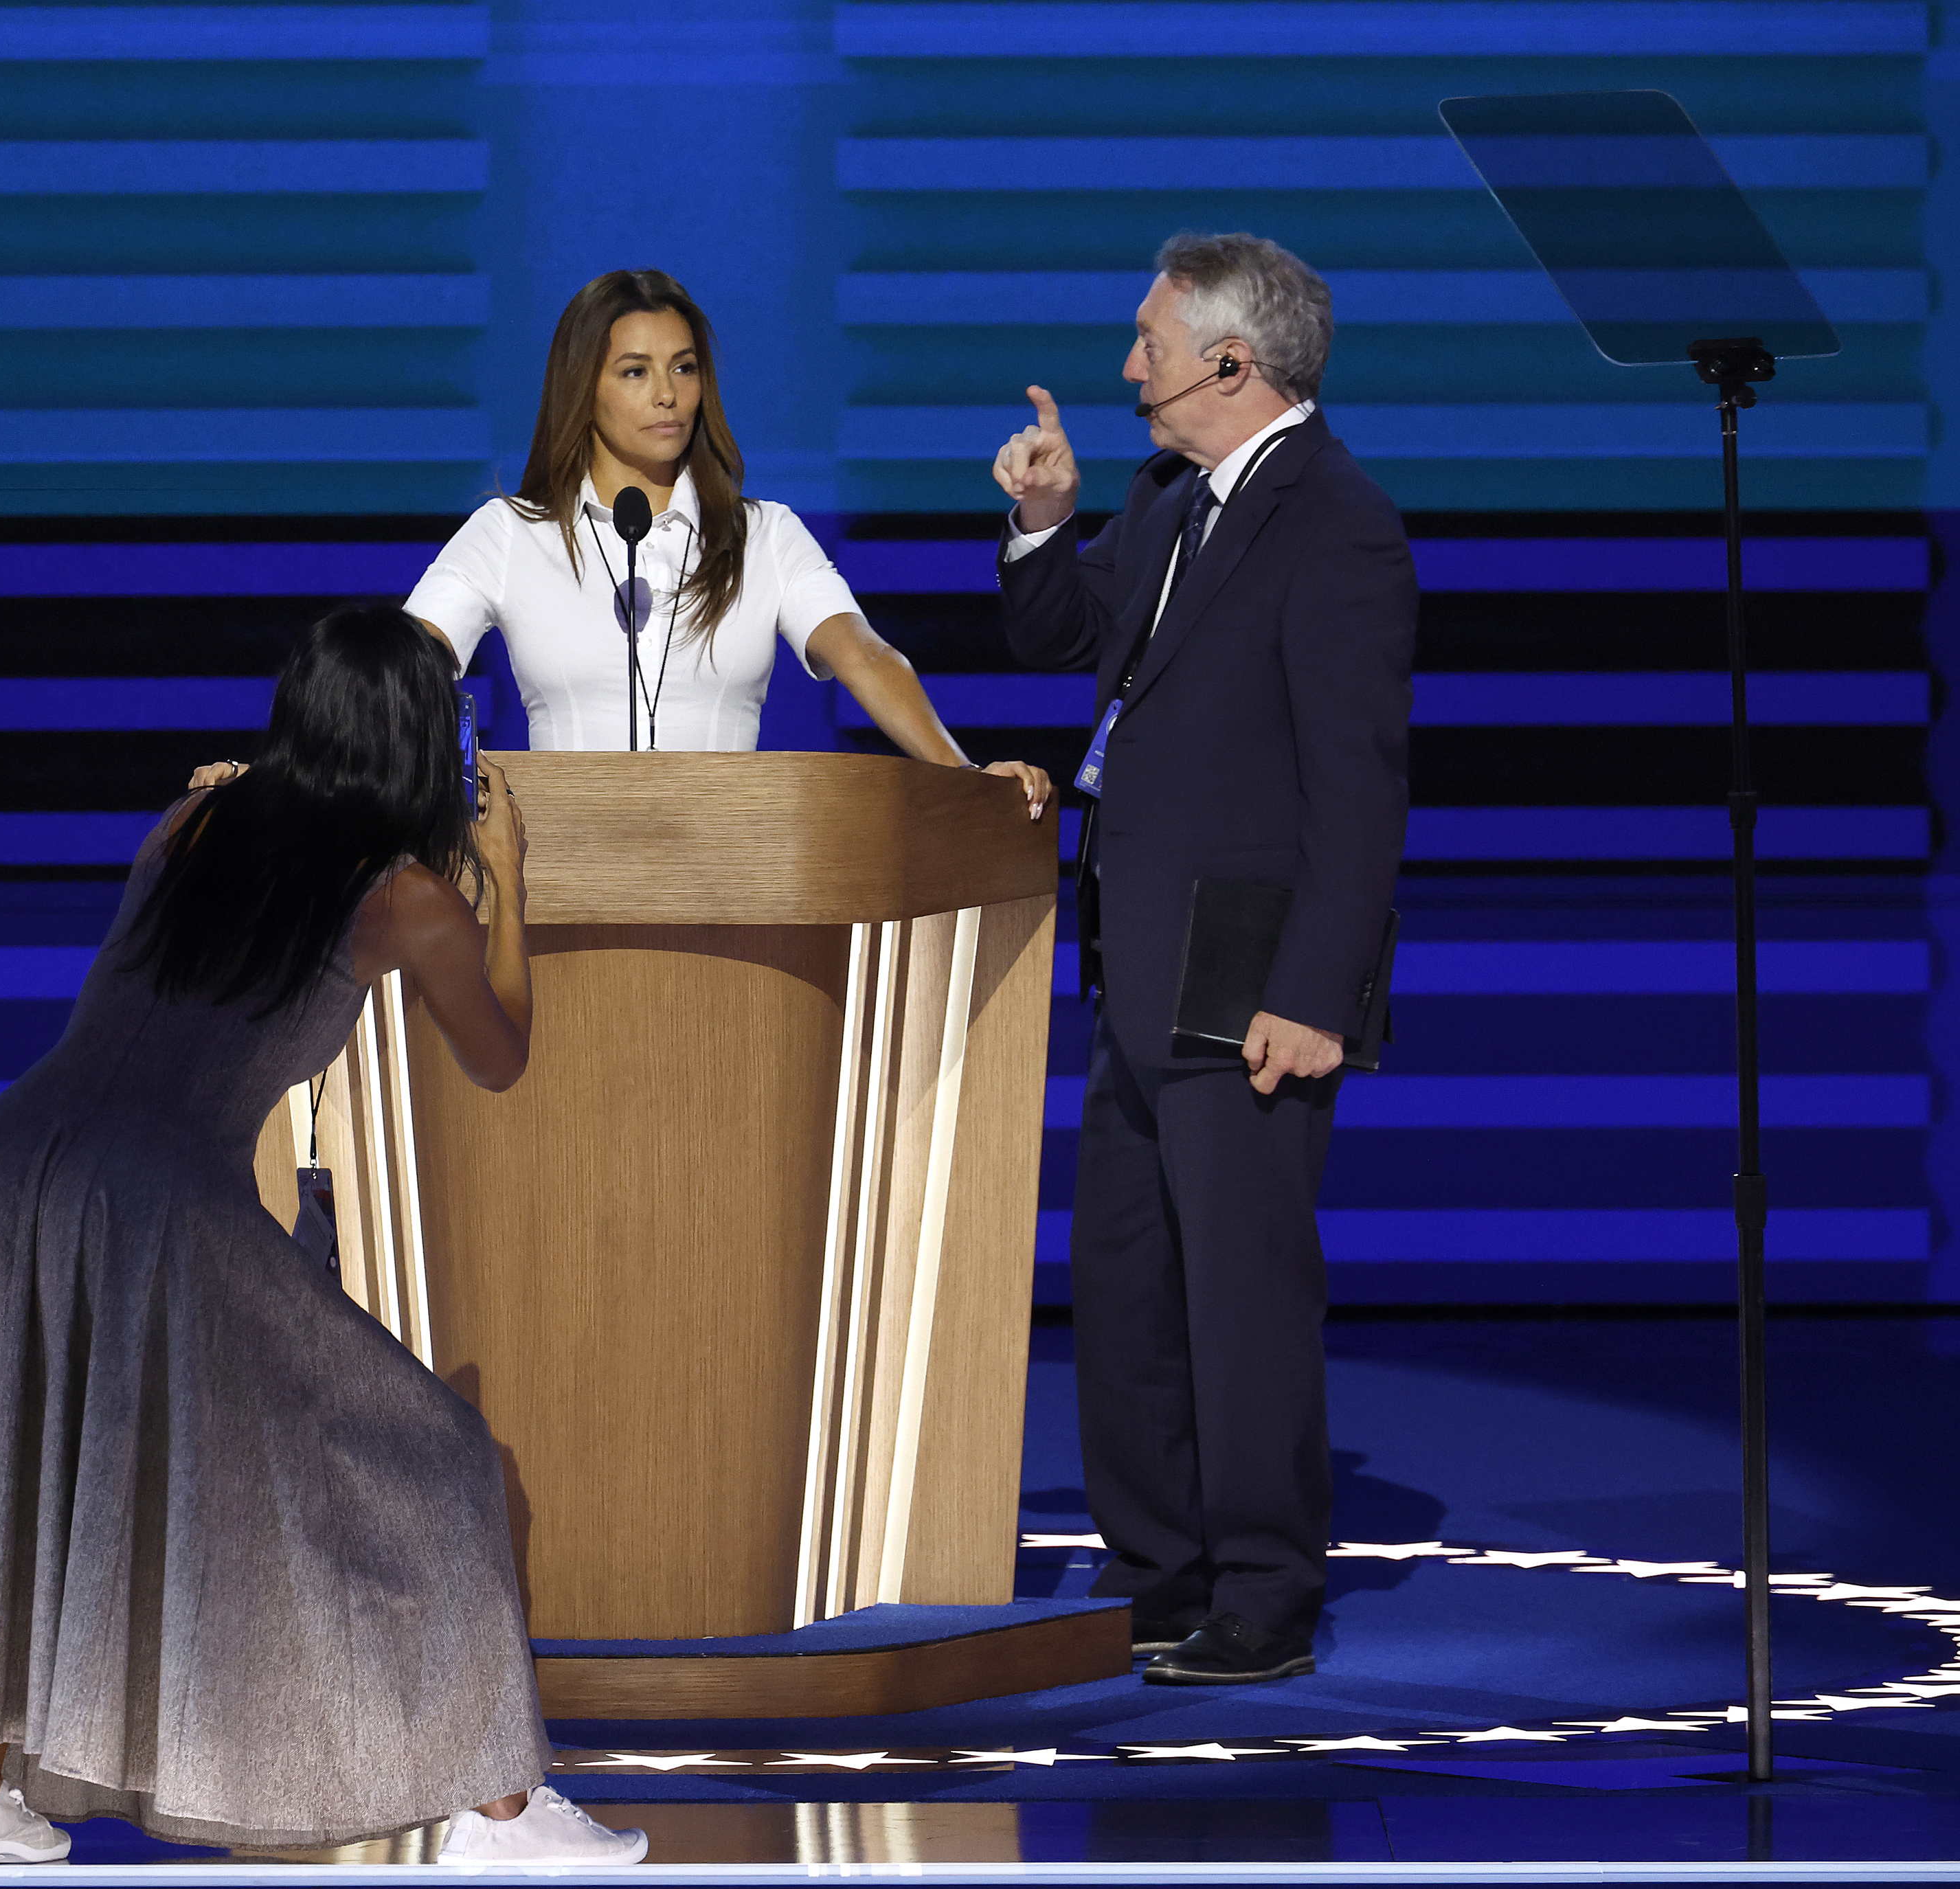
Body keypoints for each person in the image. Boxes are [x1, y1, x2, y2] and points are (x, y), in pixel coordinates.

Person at [0, 604, 647, 1866]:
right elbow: (501, 1057)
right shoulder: (409, 896)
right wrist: (514, 883)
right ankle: (502, 1811)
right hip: (154, 1195)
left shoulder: (189, 825)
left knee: (21, 1456)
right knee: (440, 1458)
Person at [989, 233, 1415, 1684]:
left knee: (1237, 1290)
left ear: (1232, 364)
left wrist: (1312, 995)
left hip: (1248, 968)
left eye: (1149, 345)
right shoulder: (1173, 500)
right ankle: (1155, 1572)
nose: (1127, 370)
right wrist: (1043, 521)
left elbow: (1358, 789)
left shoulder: (1334, 523)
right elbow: (1063, 637)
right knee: (1123, 1279)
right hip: (1137, 949)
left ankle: (1261, 1589)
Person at [407, 267, 1050, 814]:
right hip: (558, 881)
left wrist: (967, 782)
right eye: (635, 372)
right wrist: (449, 783)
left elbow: (866, 657)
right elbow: (400, 669)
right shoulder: (512, 533)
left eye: (683, 369)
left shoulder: (763, 535)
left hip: (734, 883)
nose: (667, 395)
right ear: (583, 388)